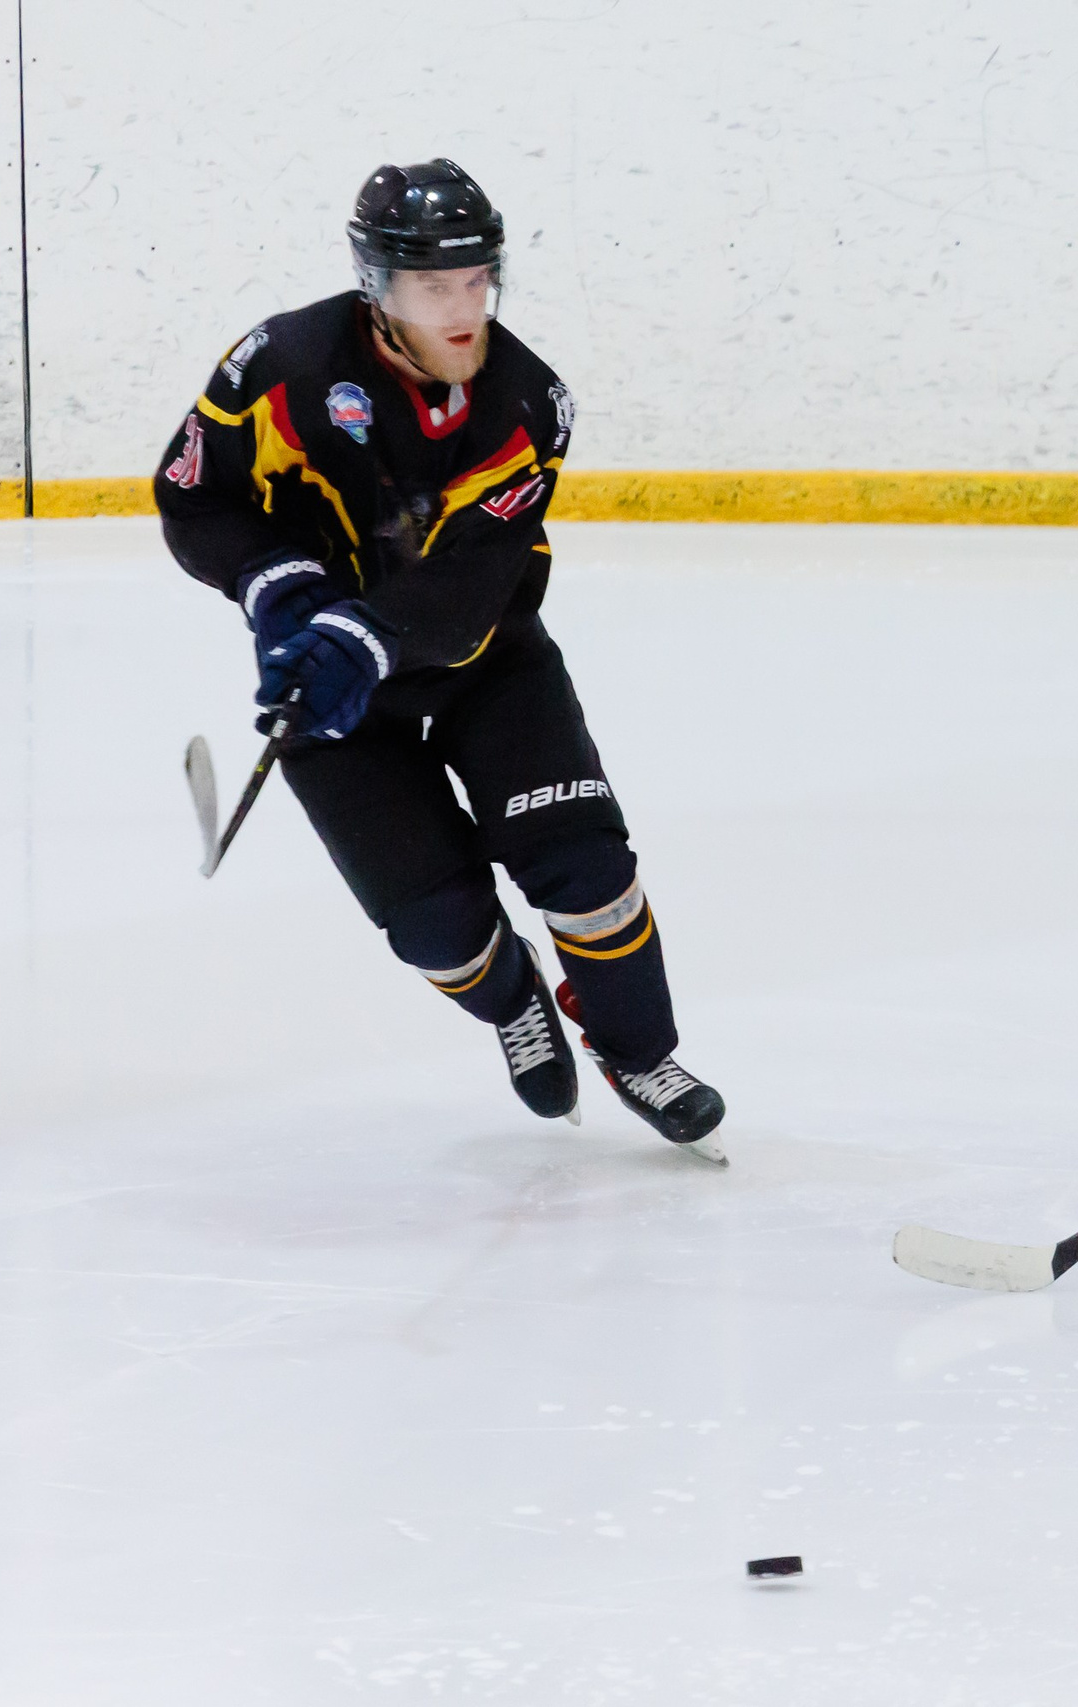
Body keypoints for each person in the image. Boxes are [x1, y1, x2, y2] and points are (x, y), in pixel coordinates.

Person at [152, 159, 726, 1160]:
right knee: (435, 931)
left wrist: (365, 632)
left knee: (586, 873)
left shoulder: (528, 401)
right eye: (433, 287)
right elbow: (195, 499)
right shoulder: (277, 367)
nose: (464, 309)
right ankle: (514, 998)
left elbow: (472, 584)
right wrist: (278, 582)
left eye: (477, 281)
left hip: (489, 666)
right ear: (376, 284)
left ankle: (637, 1050)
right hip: (333, 702)